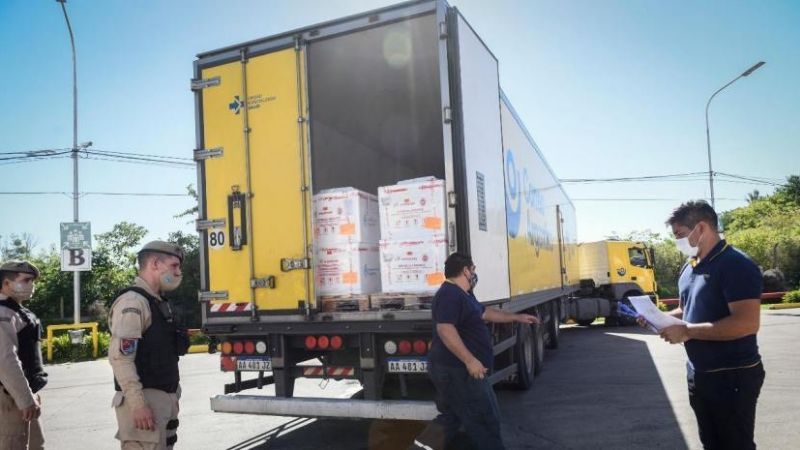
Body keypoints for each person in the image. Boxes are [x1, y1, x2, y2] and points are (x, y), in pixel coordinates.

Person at [654, 201, 764, 450]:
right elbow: (687, 309)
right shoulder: (690, 266)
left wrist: (686, 331)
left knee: (735, 445)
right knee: (712, 443)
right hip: (700, 373)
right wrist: (659, 318)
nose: (677, 241)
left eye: (680, 234)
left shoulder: (735, 265)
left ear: (701, 228)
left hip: (733, 375)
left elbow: (746, 323)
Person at [411, 252, 538, 450]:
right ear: (465, 271)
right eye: (473, 270)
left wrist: (516, 317)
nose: (474, 274)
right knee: (485, 419)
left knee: (451, 418)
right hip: (458, 371)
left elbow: (485, 313)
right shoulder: (449, 294)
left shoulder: (465, 294)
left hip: (455, 370)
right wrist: (470, 360)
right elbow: (445, 329)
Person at [109, 241, 190, 449]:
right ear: (155, 264)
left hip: (162, 402)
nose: (178, 272)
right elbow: (121, 358)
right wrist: (138, 405)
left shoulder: (157, 302)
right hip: (144, 404)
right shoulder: (132, 302)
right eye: (174, 266)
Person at [0, 260, 47, 450]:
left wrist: (29, 396)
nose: (31, 285)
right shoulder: (3, 313)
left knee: (36, 445)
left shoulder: (16, 311)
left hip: (22, 395)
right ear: (6, 283)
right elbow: (5, 361)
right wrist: (25, 399)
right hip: (10, 398)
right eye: (26, 280)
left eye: (32, 281)